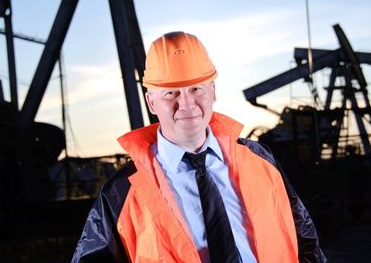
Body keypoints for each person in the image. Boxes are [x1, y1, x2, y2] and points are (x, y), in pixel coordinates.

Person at [72, 31, 327, 262]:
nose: (187, 104)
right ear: (152, 102)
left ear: (213, 91)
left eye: (196, 89)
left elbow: (305, 241)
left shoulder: (259, 160)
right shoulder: (122, 192)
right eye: (171, 93)